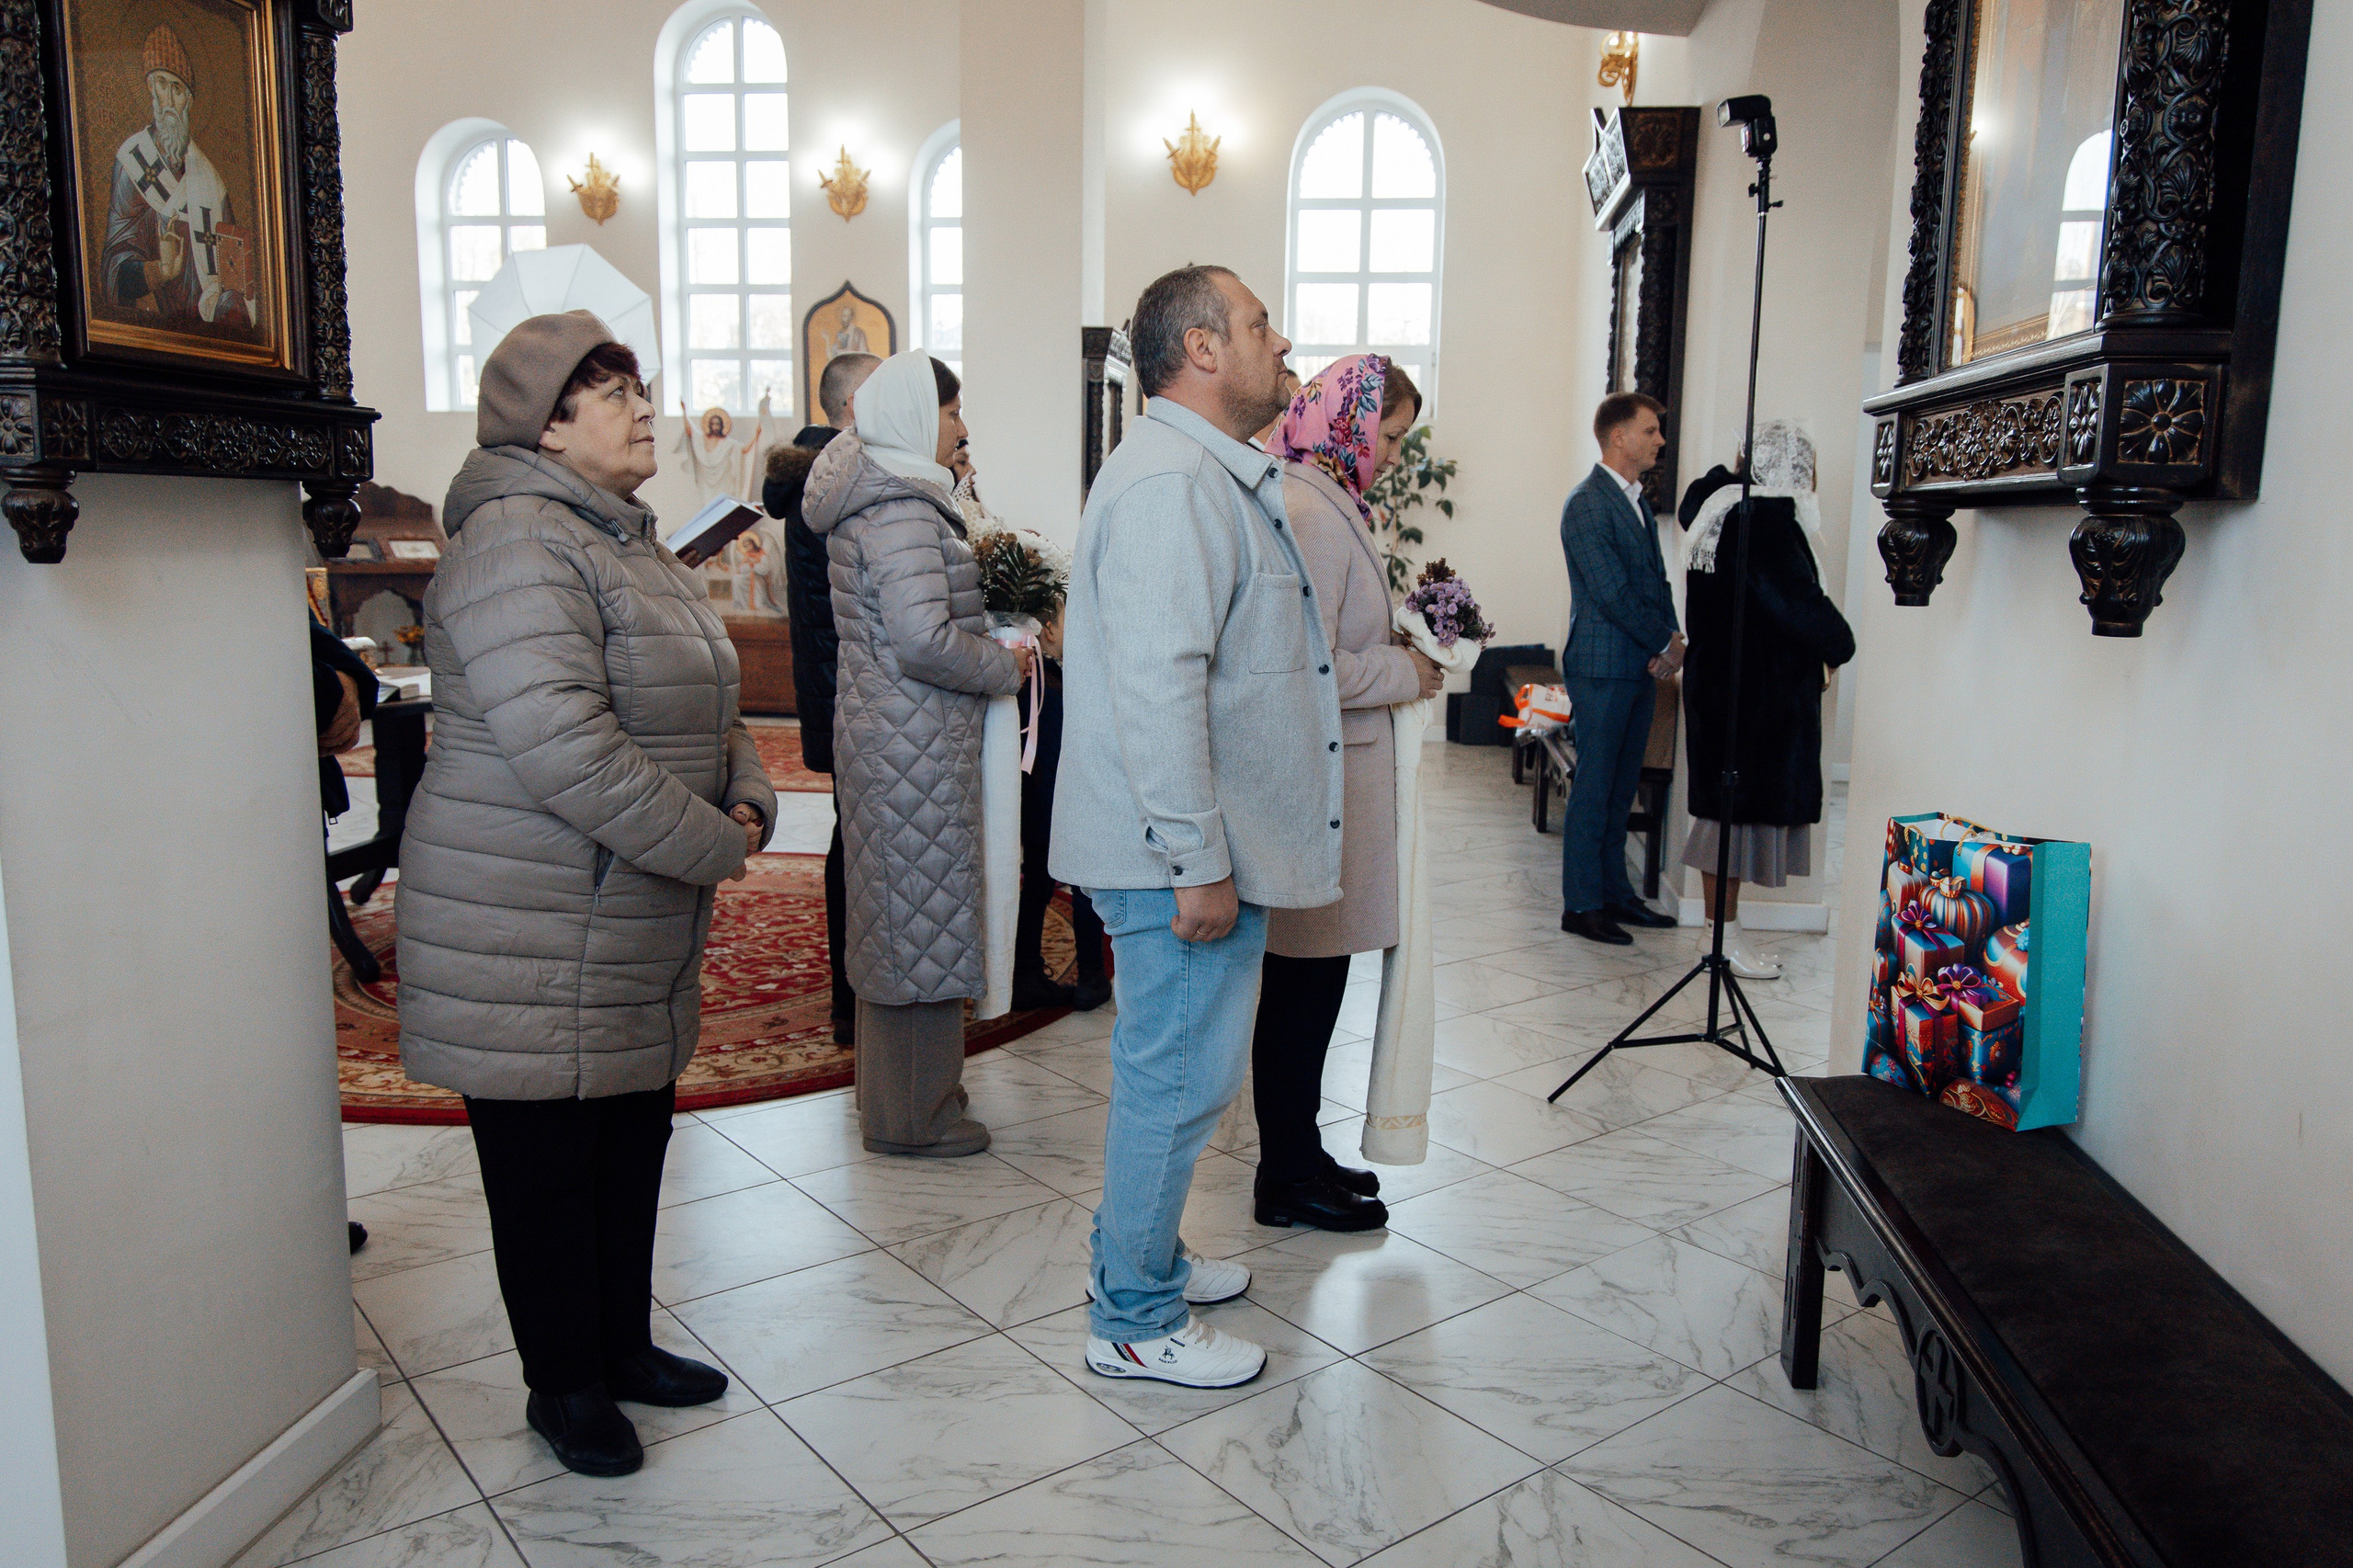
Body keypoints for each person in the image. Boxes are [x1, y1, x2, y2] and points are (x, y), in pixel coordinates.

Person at [394, 311, 777, 1479]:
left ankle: (618, 1347)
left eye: (638, 387)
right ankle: (562, 1383)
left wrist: (750, 789)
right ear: (547, 427)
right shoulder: (516, 539)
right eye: (615, 393)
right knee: (548, 1168)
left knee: (624, 1140)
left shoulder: (623, 537)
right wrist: (714, 842)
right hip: (531, 913)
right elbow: (566, 747)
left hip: (618, 910)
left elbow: (711, 695)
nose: (646, 408)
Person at [1052, 265, 1345, 1389]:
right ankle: (1133, 1317)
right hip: (1168, 853)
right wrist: (1194, 860)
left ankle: (1141, 1256)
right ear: (1202, 349)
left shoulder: (1199, 469)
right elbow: (1159, 687)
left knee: (1177, 1076)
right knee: (1176, 1081)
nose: (1284, 342)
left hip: (1185, 844)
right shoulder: (1172, 482)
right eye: (1260, 324)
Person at [803, 352, 1030, 1156]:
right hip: (913, 743)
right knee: (920, 926)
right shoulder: (900, 508)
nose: (961, 426)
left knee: (902, 925)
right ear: (909, 416)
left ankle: (903, 1103)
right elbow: (922, 639)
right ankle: (915, 1119)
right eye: (950, 411)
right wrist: (1004, 664)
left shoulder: (888, 495)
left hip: (900, 737)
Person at [1250, 355, 1442, 1233]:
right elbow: (1308, 667)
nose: (1396, 454)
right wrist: (1404, 671)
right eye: (1390, 436)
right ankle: (1286, 1176)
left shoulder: (1331, 498)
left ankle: (1301, 1151)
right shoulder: (1311, 511)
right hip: (1319, 788)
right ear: (1350, 425)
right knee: (1303, 990)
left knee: (1317, 986)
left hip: (1338, 781)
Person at [1676, 420, 1855, 979]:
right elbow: (1795, 601)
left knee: (1726, 817)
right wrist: (1839, 643)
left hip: (1726, 688)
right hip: (1752, 700)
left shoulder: (1723, 508)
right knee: (1726, 822)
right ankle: (1720, 940)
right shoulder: (1762, 519)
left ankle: (1722, 936)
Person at [760, 350, 880, 1044]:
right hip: (847, 688)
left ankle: (856, 991)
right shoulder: (832, 478)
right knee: (857, 844)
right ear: (855, 404)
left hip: (842, 686)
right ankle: (851, 997)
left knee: (857, 838)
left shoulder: (827, 470)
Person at [1558, 392, 1685, 946]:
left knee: (1620, 789)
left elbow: (1656, 581)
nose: (1660, 440)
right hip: (1602, 666)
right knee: (1595, 787)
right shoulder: (1587, 503)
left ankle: (1615, 895)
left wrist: (1673, 638)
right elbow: (1610, 592)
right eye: (1650, 430)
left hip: (1636, 664)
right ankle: (1582, 905)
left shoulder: (1636, 501)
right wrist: (1663, 640)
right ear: (1618, 437)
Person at [103, 26, 257, 333]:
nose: (170, 100)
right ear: (150, 88)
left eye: (178, 88)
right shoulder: (133, 160)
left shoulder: (212, 182)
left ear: (189, 99)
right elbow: (114, 265)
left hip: (206, 331)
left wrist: (229, 302)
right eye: (162, 84)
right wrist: (159, 272)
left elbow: (234, 274)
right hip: (152, 329)